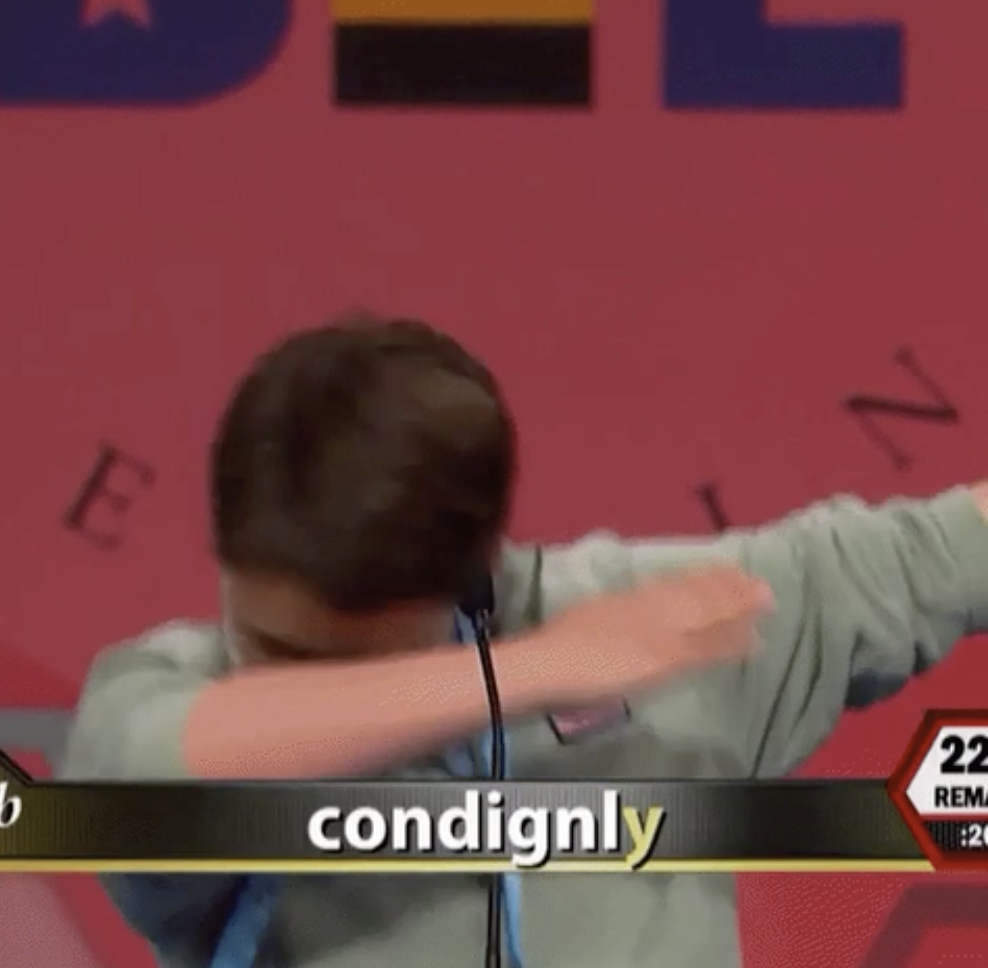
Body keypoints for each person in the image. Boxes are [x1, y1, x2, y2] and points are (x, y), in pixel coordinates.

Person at [61, 314, 988, 968]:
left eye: (354, 659)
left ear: (472, 580)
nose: (290, 678)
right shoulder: (168, 700)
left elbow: (948, 552)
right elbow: (158, 778)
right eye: (270, 641)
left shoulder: (665, 630)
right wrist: (539, 673)